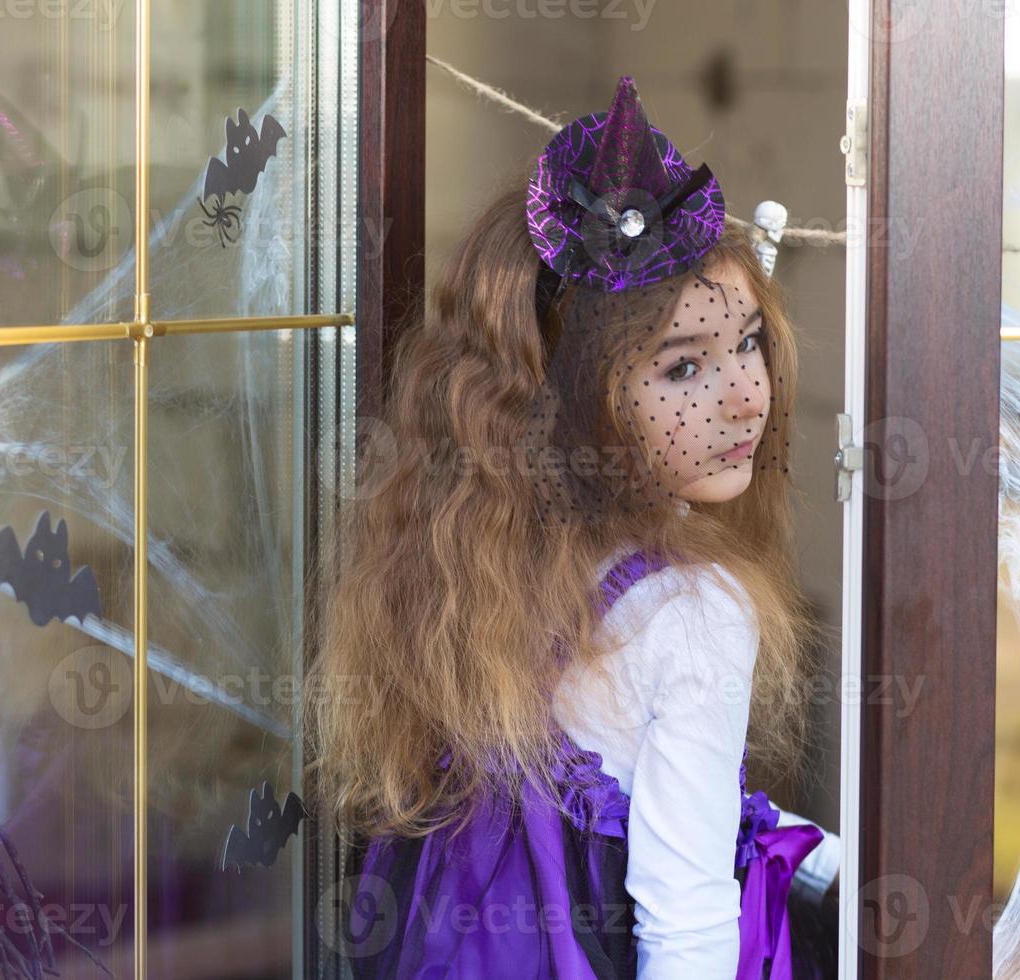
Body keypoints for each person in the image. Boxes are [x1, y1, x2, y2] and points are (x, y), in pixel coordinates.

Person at [304, 75, 840, 979]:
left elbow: (616, 796)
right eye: (682, 369)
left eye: (748, 342)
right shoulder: (696, 611)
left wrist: (825, 852)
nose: (749, 394)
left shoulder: (480, 567)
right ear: (571, 401)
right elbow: (685, 925)